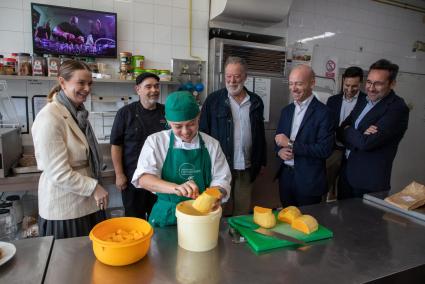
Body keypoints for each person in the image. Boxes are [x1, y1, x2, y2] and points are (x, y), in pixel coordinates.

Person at [32, 60, 108, 239]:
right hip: (65, 210)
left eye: (89, 83)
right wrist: (94, 187)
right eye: (81, 83)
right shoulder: (50, 117)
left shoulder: (78, 113)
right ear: (62, 82)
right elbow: (58, 173)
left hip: (86, 205)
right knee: (70, 263)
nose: (87, 89)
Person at [131, 91, 231, 227]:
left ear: (198, 117)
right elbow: (144, 179)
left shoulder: (212, 144)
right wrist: (176, 188)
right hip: (166, 215)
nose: (185, 131)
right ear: (168, 121)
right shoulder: (156, 141)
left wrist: (216, 194)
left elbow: (222, 179)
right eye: (177, 126)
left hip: (202, 215)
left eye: (191, 124)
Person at [200, 56, 266, 216]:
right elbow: (203, 133)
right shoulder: (213, 100)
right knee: (217, 209)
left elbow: (260, 133)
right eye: (228, 76)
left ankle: (238, 238)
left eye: (236, 76)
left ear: (245, 76)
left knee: (242, 210)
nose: (231, 81)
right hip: (220, 167)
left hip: (246, 166)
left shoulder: (256, 101)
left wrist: (262, 161)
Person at [337, 59, 409, 199]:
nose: (371, 88)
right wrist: (356, 134)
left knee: (362, 221)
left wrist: (349, 131)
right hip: (347, 175)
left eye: (378, 83)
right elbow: (340, 129)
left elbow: (367, 143)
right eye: (369, 82)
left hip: (369, 183)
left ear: (392, 84)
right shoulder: (364, 100)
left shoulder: (397, 108)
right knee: (343, 218)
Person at [275, 64, 334, 207]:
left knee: (307, 224)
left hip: (309, 180)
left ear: (312, 83)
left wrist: (290, 145)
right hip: (286, 177)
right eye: (291, 84)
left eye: (299, 84)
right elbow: (279, 139)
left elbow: (324, 150)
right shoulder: (287, 111)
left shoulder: (324, 113)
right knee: (287, 221)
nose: (293, 88)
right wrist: (279, 151)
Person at [110, 72, 166, 219]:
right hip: (132, 178)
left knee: (158, 219)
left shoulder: (166, 112)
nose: (154, 90)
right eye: (148, 86)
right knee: (134, 220)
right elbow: (116, 145)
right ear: (138, 89)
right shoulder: (125, 113)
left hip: (159, 178)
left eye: (156, 86)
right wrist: (119, 174)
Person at [325, 66, 366, 200]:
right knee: (325, 186)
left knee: (346, 192)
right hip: (333, 150)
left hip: (353, 152)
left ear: (361, 83)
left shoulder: (366, 102)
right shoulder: (333, 101)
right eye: (347, 85)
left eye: (354, 86)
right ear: (343, 81)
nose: (349, 90)